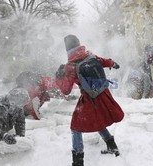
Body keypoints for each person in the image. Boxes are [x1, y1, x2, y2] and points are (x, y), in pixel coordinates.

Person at [56, 35, 124, 166]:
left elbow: (66, 90)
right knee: (98, 119)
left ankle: (78, 161)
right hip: (104, 94)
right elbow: (104, 61)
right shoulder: (90, 55)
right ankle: (112, 146)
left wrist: (59, 76)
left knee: (75, 127)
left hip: (90, 99)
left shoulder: (70, 66)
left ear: (67, 49)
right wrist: (113, 63)